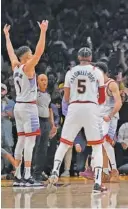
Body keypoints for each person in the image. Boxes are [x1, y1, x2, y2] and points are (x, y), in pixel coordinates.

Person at [48, 47, 106, 193]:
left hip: (74, 108)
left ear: (79, 57)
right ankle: (98, 183)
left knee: (64, 143)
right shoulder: (97, 72)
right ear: (91, 57)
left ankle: (55, 171)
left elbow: (66, 98)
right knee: (97, 146)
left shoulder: (70, 72)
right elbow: (103, 97)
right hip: (90, 107)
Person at [3, 20, 48, 187]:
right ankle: (27, 176)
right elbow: (40, 51)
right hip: (28, 108)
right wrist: (43, 31)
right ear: (27, 56)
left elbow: (10, 53)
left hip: (18, 107)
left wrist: (7, 36)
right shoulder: (28, 67)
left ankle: (18, 176)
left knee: (21, 141)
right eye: (30, 54)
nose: (33, 55)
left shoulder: (16, 66)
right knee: (30, 142)